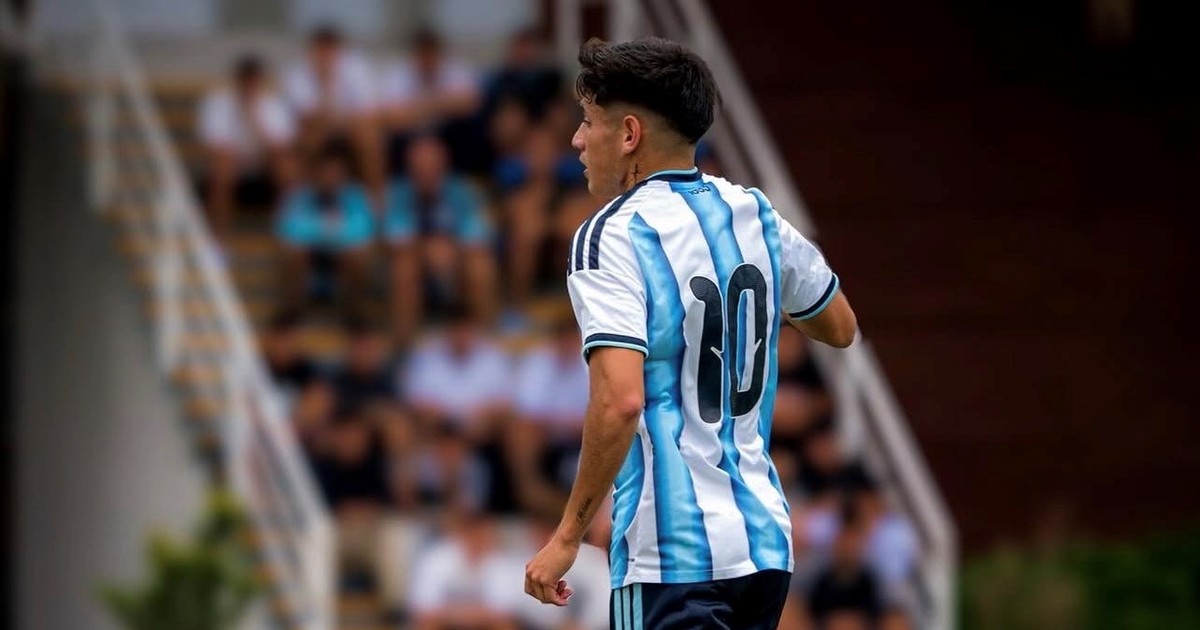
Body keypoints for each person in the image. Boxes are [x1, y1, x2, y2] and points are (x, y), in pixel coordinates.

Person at [522, 38, 859, 629]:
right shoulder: (754, 213)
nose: (577, 139)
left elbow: (620, 401)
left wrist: (568, 534)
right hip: (763, 547)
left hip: (669, 552)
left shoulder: (610, 235)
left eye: (588, 121)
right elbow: (839, 325)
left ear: (629, 134)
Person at [384, 134, 498, 341]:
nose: (426, 173)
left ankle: (486, 341)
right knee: (403, 268)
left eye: (432, 167)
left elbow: (479, 234)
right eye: (419, 169)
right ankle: (404, 344)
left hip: (457, 263)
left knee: (480, 266)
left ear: (443, 166)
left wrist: (451, 251)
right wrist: (427, 250)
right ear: (410, 168)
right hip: (416, 266)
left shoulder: (464, 191)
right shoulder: (396, 194)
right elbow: (396, 239)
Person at [196, 54, 296, 242]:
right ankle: (218, 237)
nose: (249, 85)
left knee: (286, 168)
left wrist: (255, 119)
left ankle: (290, 232)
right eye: (245, 79)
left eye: (253, 80)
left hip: (263, 167)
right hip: (230, 168)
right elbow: (213, 146)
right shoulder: (218, 103)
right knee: (223, 166)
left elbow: (280, 147)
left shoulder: (273, 104)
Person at [283, 25, 385, 193]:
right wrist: (326, 86)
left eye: (329, 48)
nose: (325, 55)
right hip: (317, 131)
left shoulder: (355, 67)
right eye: (320, 49)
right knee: (309, 138)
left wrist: (335, 119)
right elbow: (307, 118)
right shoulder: (297, 73)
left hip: (348, 129)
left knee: (368, 135)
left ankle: (376, 198)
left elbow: (367, 112)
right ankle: (304, 199)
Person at [275, 142, 375, 311]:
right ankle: (291, 308)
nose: (331, 177)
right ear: (316, 173)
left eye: (336, 172)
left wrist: (321, 231)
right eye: (327, 171)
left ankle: (354, 311)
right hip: (311, 258)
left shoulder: (356, 196)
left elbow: (363, 229)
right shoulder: (298, 195)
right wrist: (330, 227)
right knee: (292, 250)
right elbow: (288, 228)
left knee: (359, 253)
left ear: (345, 175)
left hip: (341, 257)